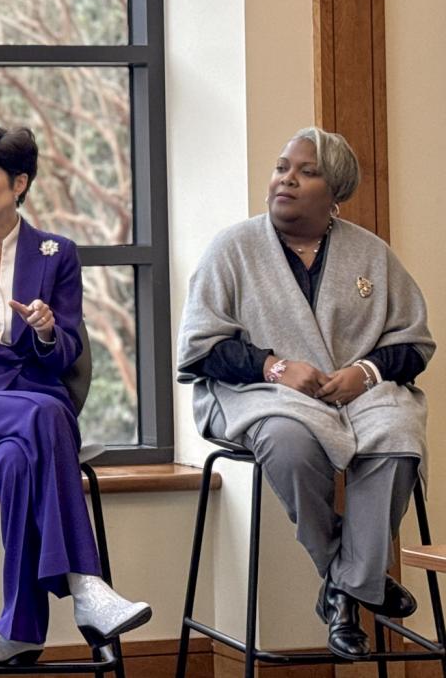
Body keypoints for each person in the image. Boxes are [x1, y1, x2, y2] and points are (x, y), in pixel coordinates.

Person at [177, 126, 432, 660]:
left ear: (334, 193)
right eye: (281, 167)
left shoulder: (373, 255)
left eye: (305, 171)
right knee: (289, 441)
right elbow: (200, 350)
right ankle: (358, 581)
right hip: (255, 394)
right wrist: (274, 366)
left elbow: (413, 344)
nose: (286, 179)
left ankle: (344, 591)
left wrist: (364, 371)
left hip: (354, 396)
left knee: (401, 431)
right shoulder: (233, 248)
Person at [0, 125, 150, 664]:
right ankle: (86, 585)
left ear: (20, 184)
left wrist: (44, 332)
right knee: (44, 416)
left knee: (19, 460)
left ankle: (20, 628)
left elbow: (67, 355)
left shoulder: (56, 254)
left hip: (29, 406)